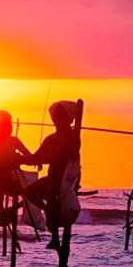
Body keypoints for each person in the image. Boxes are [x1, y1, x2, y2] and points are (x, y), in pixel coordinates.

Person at [22, 101, 79, 250]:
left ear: (69, 119)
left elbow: (70, 156)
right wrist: (21, 158)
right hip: (52, 177)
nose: (57, 121)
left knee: (52, 195)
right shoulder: (51, 139)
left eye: (61, 117)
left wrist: (41, 159)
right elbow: (37, 157)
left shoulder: (73, 136)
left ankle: (55, 238)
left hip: (67, 178)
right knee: (28, 192)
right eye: (56, 117)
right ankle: (47, 210)